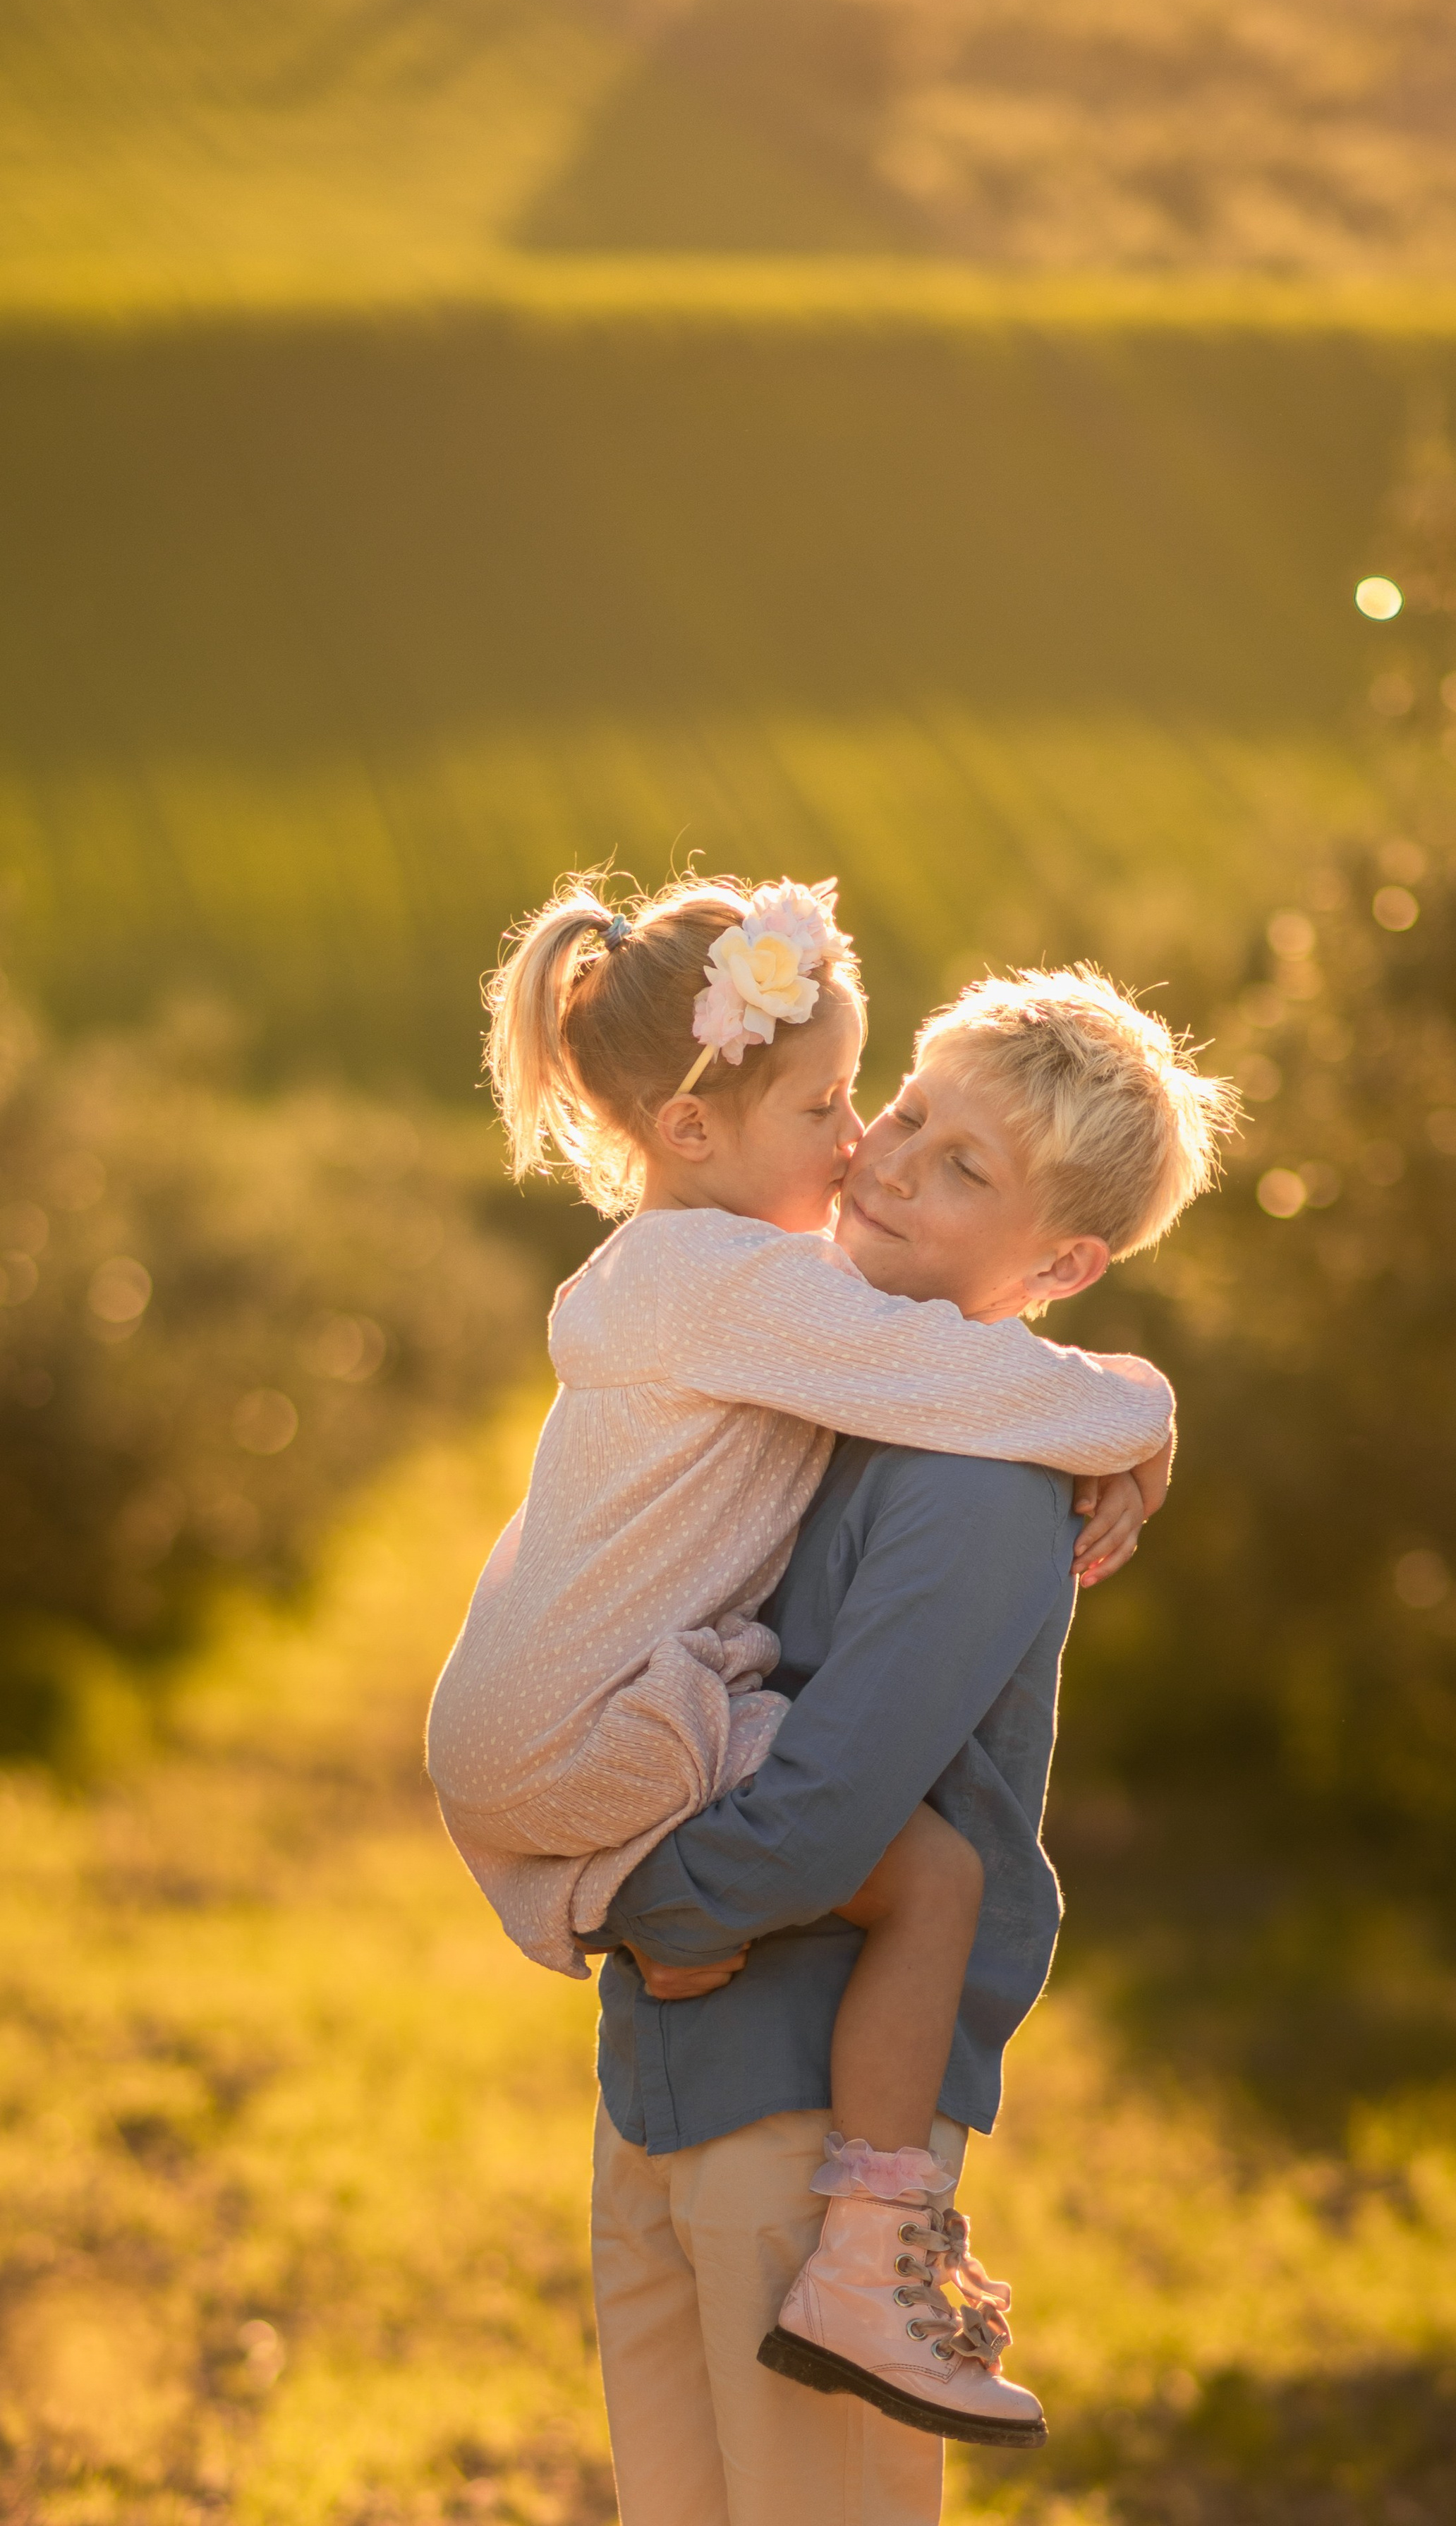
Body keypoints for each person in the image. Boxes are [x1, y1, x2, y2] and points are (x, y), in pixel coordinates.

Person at [428, 871, 1226, 2446]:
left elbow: (828, 1800)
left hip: (782, 2109)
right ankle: (879, 2239)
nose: (878, 1155)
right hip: (682, 2087)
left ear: (1059, 1259)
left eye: (952, 1156)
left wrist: (657, 1911)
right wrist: (1139, 1409)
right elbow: (1002, 1387)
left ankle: (880, 2242)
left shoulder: (970, 1470)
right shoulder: (797, 1330)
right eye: (888, 1108)